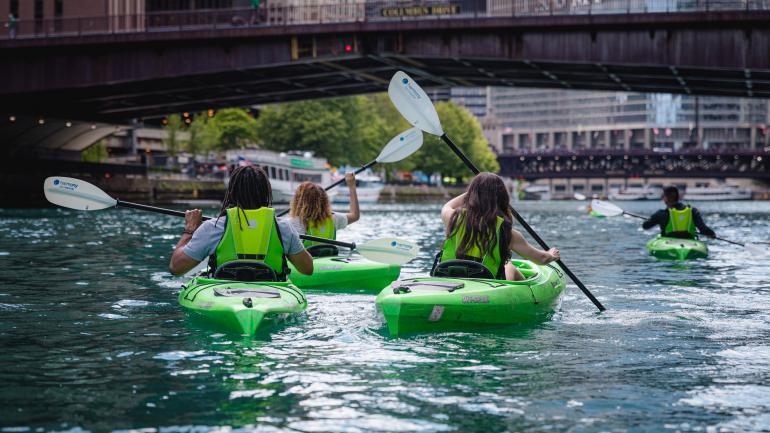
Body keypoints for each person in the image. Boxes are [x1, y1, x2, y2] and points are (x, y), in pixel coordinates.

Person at [169, 165, 313, 277]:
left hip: (225, 293)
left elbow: (176, 268)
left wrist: (190, 230)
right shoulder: (284, 228)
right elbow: (307, 269)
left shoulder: (213, 227)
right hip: (272, 293)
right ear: (266, 193)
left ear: (231, 192)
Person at [439, 172, 560, 281]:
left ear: (472, 195)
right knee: (509, 266)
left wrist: (473, 191)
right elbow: (542, 259)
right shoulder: (507, 232)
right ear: (501, 198)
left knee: (509, 266)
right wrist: (551, 254)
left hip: (448, 276)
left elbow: (447, 206)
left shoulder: (453, 218)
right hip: (486, 283)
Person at [286, 172, 359, 249]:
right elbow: (355, 215)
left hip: (306, 260)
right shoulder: (333, 219)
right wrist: (352, 186)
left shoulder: (292, 224)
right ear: (325, 201)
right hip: (329, 258)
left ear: (298, 201)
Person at [642, 185, 715, 240]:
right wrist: (712, 234)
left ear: (665, 198)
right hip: (689, 242)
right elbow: (703, 229)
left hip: (668, 241)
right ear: (678, 197)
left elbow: (645, 226)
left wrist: (652, 219)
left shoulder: (661, 214)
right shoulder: (693, 211)